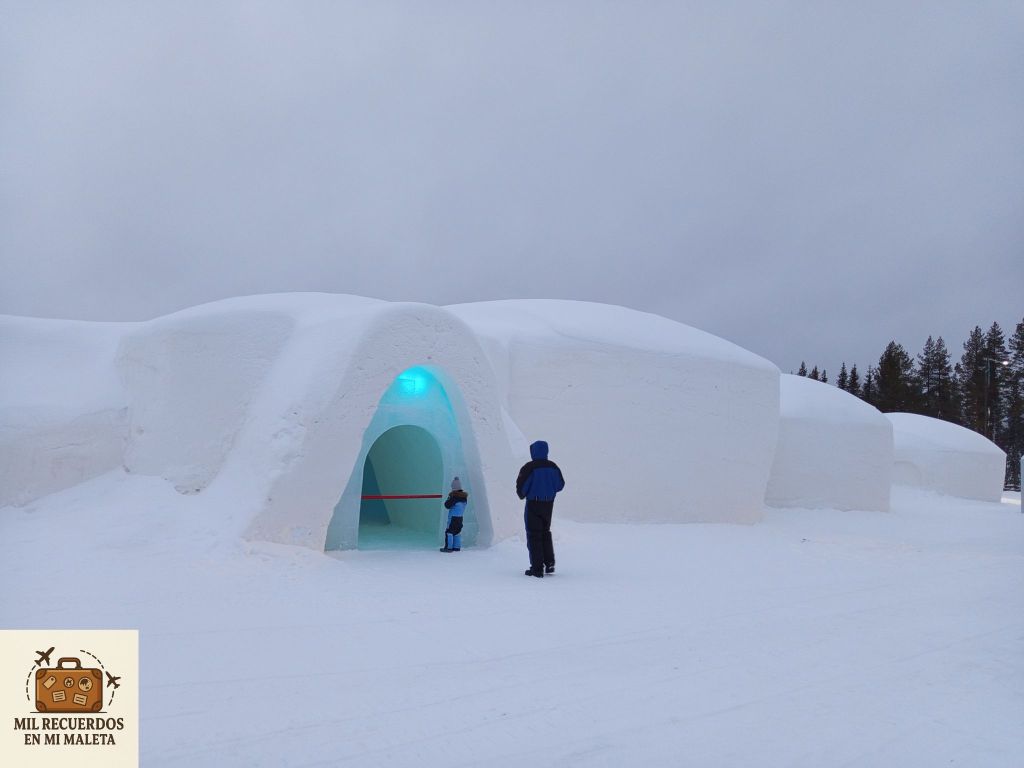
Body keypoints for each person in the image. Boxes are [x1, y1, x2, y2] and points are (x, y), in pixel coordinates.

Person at [516, 440, 565, 577]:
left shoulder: (529, 467)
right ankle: (549, 564)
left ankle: (537, 568)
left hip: (533, 503)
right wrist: (549, 490)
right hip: (548, 504)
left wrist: (523, 494)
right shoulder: (553, 466)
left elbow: (522, 487)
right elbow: (560, 485)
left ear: (533, 451)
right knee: (545, 532)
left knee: (534, 535)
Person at [440, 477, 468, 552]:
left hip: (452, 518)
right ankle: (456, 547)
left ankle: (448, 548)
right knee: (457, 532)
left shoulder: (454, 497)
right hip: (460, 518)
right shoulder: (464, 498)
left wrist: (449, 498)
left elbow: (447, 505)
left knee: (449, 532)